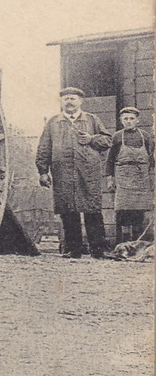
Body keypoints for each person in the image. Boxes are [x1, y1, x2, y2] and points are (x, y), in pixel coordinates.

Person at [35, 87, 113, 258]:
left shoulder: (92, 120)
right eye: (66, 99)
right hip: (63, 173)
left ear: (80, 101)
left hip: (88, 173)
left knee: (92, 210)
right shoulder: (53, 122)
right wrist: (43, 171)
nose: (69, 102)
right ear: (61, 102)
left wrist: (93, 139)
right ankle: (73, 249)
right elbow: (44, 147)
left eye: (73, 98)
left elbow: (108, 140)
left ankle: (99, 250)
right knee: (68, 211)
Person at [107, 106, 153, 246]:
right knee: (123, 210)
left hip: (141, 177)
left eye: (132, 119)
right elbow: (110, 159)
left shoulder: (145, 136)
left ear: (137, 120)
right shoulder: (117, 136)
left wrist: (150, 176)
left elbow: (151, 158)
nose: (128, 121)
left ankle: (137, 243)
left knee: (139, 211)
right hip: (123, 176)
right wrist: (110, 178)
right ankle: (124, 244)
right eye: (125, 119)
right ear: (121, 120)